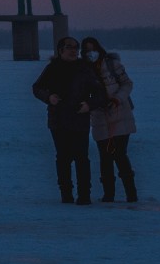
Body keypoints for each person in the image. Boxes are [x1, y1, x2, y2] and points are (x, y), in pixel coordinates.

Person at [31, 35, 106, 205]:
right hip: (58, 120)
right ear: (60, 50)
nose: (74, 50)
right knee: (63, 158)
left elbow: (99, 93)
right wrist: (49, 97)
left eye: (76, 47)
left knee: (82, 158)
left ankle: (84, 195)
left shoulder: (84, 68)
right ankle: (66, 194)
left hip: (79, 119)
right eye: (69, 47)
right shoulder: (52, 68)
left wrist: (89, 104)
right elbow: (37, 88)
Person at [82, 37, 138, 203]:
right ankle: (108, 195)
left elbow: (127, 84)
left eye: (93, 50)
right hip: (99, 118)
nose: (90, 53)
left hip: (120, 115)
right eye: (86, 51)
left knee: (120, 154)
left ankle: (131, 194)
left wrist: (117, 99)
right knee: (105, 157)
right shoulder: (84, 70)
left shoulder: (113, 65)